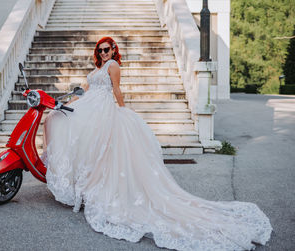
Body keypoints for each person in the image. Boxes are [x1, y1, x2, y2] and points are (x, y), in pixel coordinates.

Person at [41, 37, 272, 250]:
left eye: (107, 49)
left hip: (103, 111)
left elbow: (117, 90)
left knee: (101, 150)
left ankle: (91, 189)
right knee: (69, 130)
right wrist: (68, 100)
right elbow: (87, 90)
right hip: (89, 107)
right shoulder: (99, 68)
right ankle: (82, 186)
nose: (103, 53)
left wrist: (122, 112)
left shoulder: (113, 66)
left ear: (114, 50)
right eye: (100, 50)